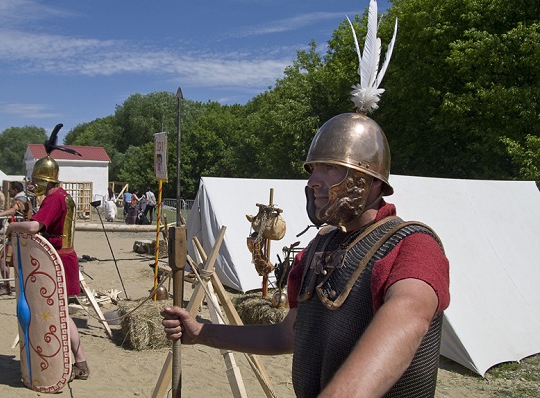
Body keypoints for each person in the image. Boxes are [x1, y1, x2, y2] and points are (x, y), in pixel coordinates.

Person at [162, 5, 449, 395]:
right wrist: (203, 332)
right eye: (312, 169)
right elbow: (289, 336)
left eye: (328, 169)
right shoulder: (318, 249)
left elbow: (408, 321)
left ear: (369, 181)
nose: (313, 180)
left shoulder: (412, 247)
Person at [7, 149, 90, 381]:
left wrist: (14, 226)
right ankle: (80, 362)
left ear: (45, 180)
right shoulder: (63, 195)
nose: (34, 184)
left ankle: (76, 362)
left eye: (36, 180)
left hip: (57, 260)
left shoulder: (54, 199)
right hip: (62, 257)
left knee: (58, 314)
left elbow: (34, 227)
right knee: (61, 313)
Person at [0, 182, 30, 295]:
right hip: (22, 234)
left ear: (15, 190)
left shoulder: (20, 199)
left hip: (18, 235)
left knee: (3, 259)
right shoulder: (25, 197)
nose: (9, 192)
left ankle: (6, 285)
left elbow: (14, 210)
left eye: (10, 190)